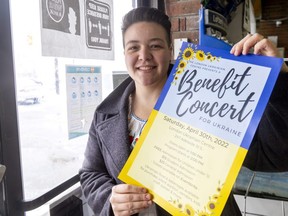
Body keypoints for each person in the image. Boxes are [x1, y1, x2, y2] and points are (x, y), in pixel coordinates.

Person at [79, 7, 288, 216]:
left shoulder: (210, 100)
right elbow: (91, 173)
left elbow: (276, 156)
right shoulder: (105, 113)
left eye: (155, 45)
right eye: (134, 48)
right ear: (124, 53)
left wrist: (278, 80)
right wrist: (110, 199)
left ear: (170, 50)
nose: (144, 56)